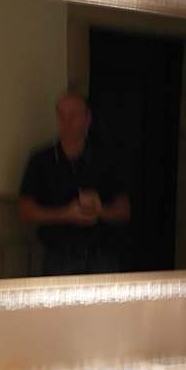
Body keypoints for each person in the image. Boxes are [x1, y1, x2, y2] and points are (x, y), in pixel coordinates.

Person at [18, 90, 130, 275]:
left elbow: (124, 210)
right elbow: (25, 212)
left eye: (73, 115)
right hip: (59, 258)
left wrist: (99, 210)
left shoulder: (106, 158)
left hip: (102, 257)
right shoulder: (41, 160)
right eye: (61, 115)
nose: (66, 122)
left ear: (87, 119)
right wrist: (65, 214)